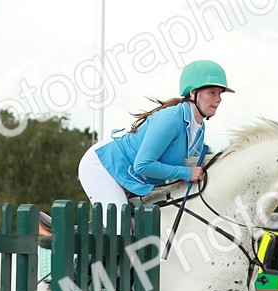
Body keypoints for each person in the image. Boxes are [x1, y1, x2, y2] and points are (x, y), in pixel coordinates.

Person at [78, 59, 232, 219]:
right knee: (119, 230)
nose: (218, 99)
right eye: (212, 92)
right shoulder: (170, 119)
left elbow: (195, 168)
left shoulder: (199, 128)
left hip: (132, 180)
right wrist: (186, 173)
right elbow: (142, 166)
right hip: (103, 167)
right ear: (192, 92)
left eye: (220, 94)